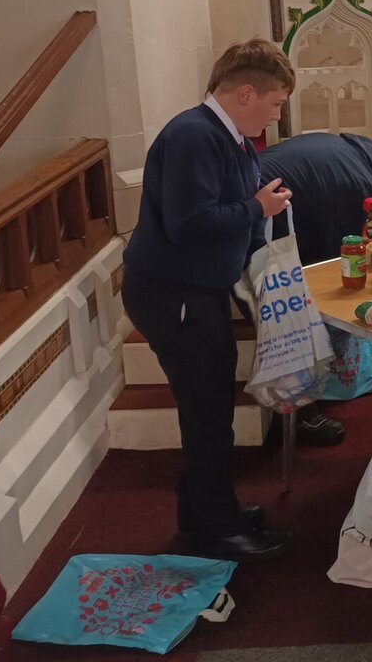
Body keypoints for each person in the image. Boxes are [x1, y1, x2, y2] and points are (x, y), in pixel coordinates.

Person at [121, 38, 295, 560]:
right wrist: (257, 209)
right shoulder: (195, 135)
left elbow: (230, 211)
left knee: (210, 409)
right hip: (174, 294)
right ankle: (218, 528)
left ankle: (201, 512)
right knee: (208, 413)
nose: (277, 114)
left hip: (200, 291)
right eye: (276, 103)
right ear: (246, 92)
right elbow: (189, 223)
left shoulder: (232, 137)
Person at [257, 133, 372, 446]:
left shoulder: (360, 150)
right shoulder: (360, 185)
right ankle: (299, 411)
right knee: (310, 313)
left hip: (254, 196)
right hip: (256, 218)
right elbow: (341, 258)